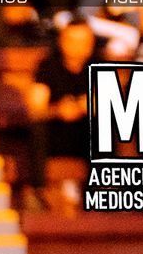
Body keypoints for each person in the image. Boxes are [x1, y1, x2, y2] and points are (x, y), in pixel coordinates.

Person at [25, 21, 95, 211]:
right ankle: (38, 192)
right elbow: (35, 108)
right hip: (55, 136)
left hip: (85, 138)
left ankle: (103, 191)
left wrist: (83, 107)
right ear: (62, 42)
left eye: (83, 41)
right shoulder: (48, 66)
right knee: (38, 127)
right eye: (72, 41)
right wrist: (58, 110)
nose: (78, 46)